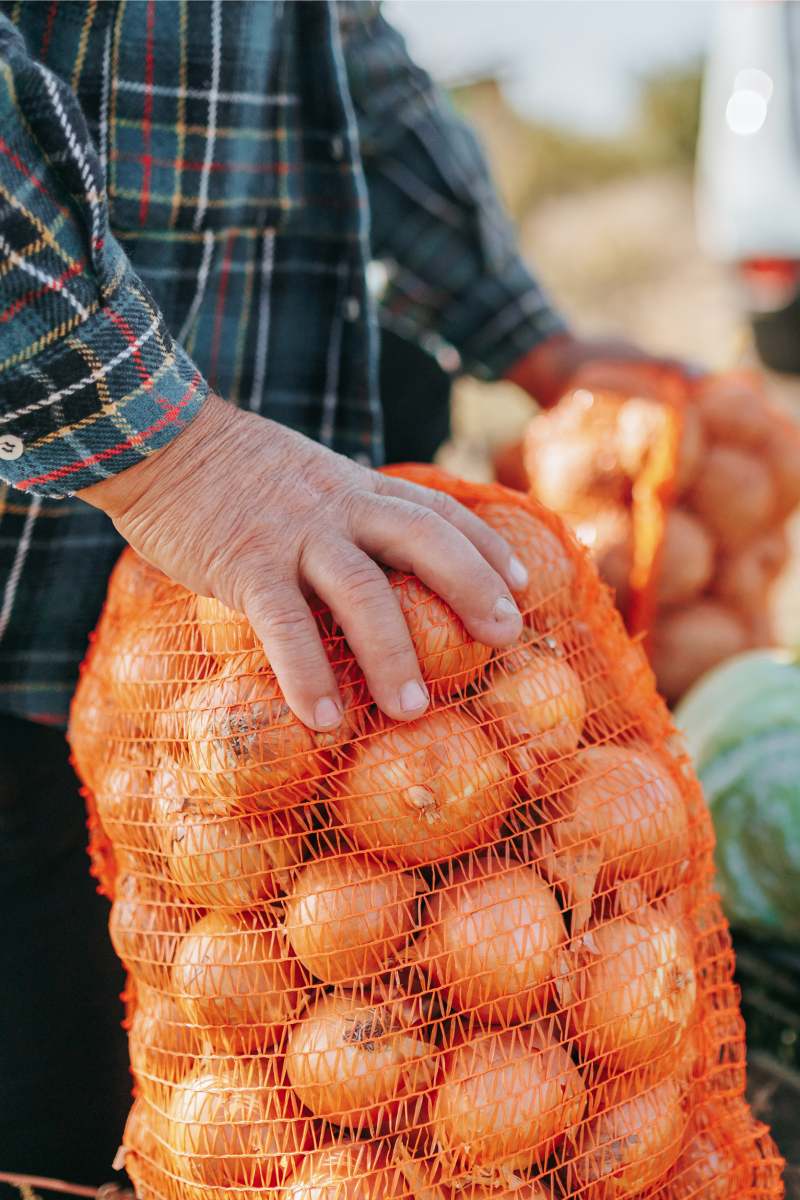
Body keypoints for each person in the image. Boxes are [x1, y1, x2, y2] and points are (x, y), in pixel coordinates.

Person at [0, 1, 670, 1185]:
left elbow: (331, 45)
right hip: (37, 598)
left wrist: (517, 330)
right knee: (57, 1130)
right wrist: (167, 451)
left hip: (270, 668)